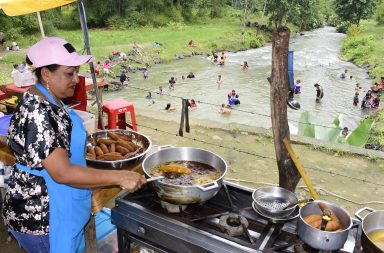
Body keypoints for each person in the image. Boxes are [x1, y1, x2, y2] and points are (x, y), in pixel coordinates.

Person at [2, 37, 147, 253]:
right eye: (69, 73)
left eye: (76, 72)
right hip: (44, 219)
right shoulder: (38, 112)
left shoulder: (46, 96)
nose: (76, 79)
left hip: (60, 207)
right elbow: (62, 173)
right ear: (46, 73)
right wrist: (120, 176)